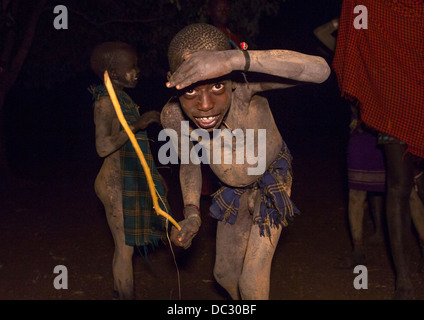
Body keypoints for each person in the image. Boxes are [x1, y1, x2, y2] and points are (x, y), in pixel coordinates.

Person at [161, 23, 330, 299]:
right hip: (232, 191)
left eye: (217, 85)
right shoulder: (173, 117)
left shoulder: (244, 89)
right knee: (225, 275)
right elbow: (189, 164)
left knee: (251, 282)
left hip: (272, 178)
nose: (205, 105)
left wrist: (235, 58)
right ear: (173, 79)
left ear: (230, 77)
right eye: (190, 90)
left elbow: (320, 71)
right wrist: (191, 213)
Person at [333, 0, 424, 299]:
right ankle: (404, 279)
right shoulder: (371, 5)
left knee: (412, 191)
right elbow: (356, 37)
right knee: (398, 187)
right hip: (393, 97)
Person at [89, 41, 169, 299]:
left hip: (125, 179)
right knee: (125, 249)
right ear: (113, 74)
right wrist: (137, 125)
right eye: (131, 67)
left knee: (126, 248)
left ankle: (118, 292)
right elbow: (102, 147)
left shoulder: (121, 98)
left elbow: (135, 146)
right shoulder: (104, 102)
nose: (137, 71)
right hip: (113, 183)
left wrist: (154, 179)